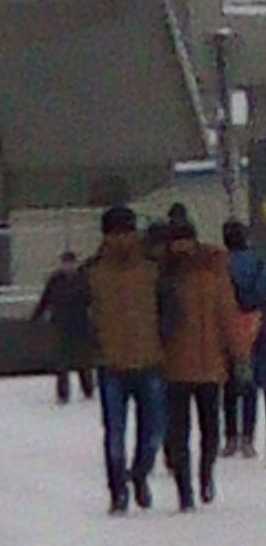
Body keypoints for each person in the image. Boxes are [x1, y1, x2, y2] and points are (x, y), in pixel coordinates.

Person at [85, 203, 166, 512]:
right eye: (117, 233)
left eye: (127, 232)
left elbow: (169, 308)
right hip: (114, 363)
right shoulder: (93, 273)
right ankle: (119, 489)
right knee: (119, 434)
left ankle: (138, 475)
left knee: (151, 432)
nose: (123, 239)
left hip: (149, 359)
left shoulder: (152, 269)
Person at [159, 214, 241, 510]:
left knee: (191, 429)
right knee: (200, 429)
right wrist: (236, 354)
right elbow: (227, 315)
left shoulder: (168, 274)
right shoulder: (212, 273)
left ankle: (194, 484)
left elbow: (226, 314)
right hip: (197, 364)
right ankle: (197, 481)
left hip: (186, 365)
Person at [221, 218, 266, 456]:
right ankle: (248, 437)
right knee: (249, 381)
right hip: (254, 323)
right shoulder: (257, 261)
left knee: (229, 381)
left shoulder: (219, 263)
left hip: (227, 325)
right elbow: (262, 291)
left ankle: (230, 436)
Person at [31, 248, 96, 402]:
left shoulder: (83, 279)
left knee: (83, 360)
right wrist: (36, 316)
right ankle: (63, 393)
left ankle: (88, 389)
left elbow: (92, 299)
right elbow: (46, 299)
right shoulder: (55, 280)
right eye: (66, 263)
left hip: (80, 324)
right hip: (61, 324)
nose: (68, 266)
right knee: (62, 361)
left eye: (71, 263)